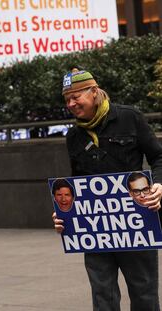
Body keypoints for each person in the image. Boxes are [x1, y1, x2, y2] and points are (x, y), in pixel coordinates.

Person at [52, 68, 162, 310]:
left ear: (94, 92)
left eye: (75, 97)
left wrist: (158, 185)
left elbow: (158, 156)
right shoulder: (74, 136)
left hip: (137, 223)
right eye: (67, 99)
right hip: (95, 229)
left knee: (144, 295)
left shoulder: (130, 117)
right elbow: (76, 184)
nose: (70, 104)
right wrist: (64, 213)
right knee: (103, 298)